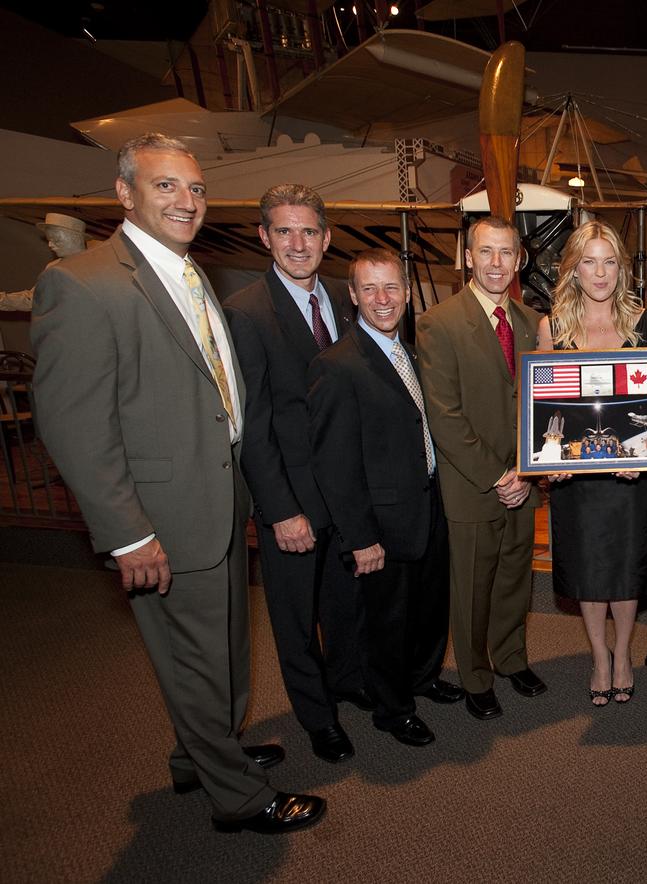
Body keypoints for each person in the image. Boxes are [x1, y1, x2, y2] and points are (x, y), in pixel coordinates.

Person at [30, 133, 324, 834]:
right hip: (160, 515)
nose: (186, 202)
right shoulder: (83, 283)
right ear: (125, 193)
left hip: (216, 499)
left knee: (220, 646)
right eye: (166, 187)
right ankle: (240, 799)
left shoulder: (190, 275)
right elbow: (74, 425)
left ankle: (204, 755)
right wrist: (129, 533)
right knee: (192, 657)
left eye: (194, 189)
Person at [306, 248, 448, 748]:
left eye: (391, 288)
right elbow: (335, 467)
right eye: (370, 288)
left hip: (428, 503)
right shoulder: (337, 365)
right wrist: (361, 538)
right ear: (352, 295)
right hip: (382, 523)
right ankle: (392, 710)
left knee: (429, 606)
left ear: (407, 295)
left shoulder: (409, 352)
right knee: (387, 622)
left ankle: (423, 678)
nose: (382, 299)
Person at [535, 220, 647, 705]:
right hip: (577, 480)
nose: (600, 272)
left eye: (609, 261)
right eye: (588, 261)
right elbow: (544, 407)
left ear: (621, 268)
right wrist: (549, 460)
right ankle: (598, 656)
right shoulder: (552, 327)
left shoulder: (646, 323)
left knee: (627, 569)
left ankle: (624, 653)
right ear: (572, 269)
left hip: (631, 479)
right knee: (590, 571)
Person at [418, 216, 545, 721]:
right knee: (473, 586)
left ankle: (512, 658)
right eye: (486, 252)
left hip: (523, 480)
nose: (497, 263)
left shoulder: (534, 324)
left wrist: (528, 471)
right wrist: (498, 476)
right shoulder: (439, 322)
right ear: (468, 256)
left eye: (507, 253)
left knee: (516, 577)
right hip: (474, 485)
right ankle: (475, 675)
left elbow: (540, 403)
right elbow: (443, 416)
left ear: (520, 260)